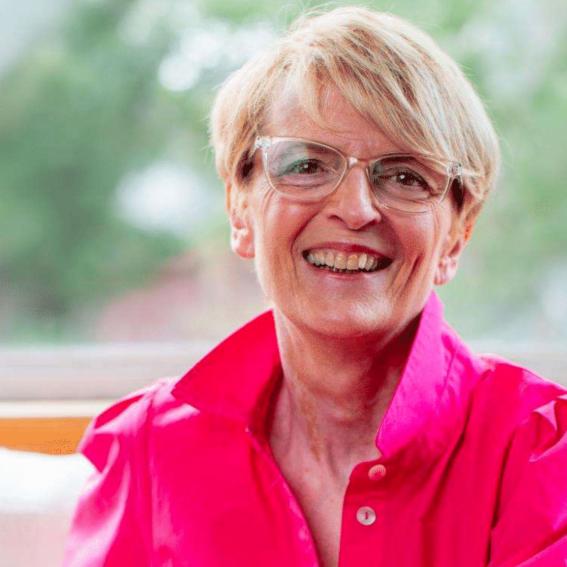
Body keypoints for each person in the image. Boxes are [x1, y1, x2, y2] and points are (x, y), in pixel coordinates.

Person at [63, 6, 567, 566]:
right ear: (240, 208)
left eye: (404, 176)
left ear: (456, 235)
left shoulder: (544, 454)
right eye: (305, 165)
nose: (354, 210)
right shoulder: (148, 451)